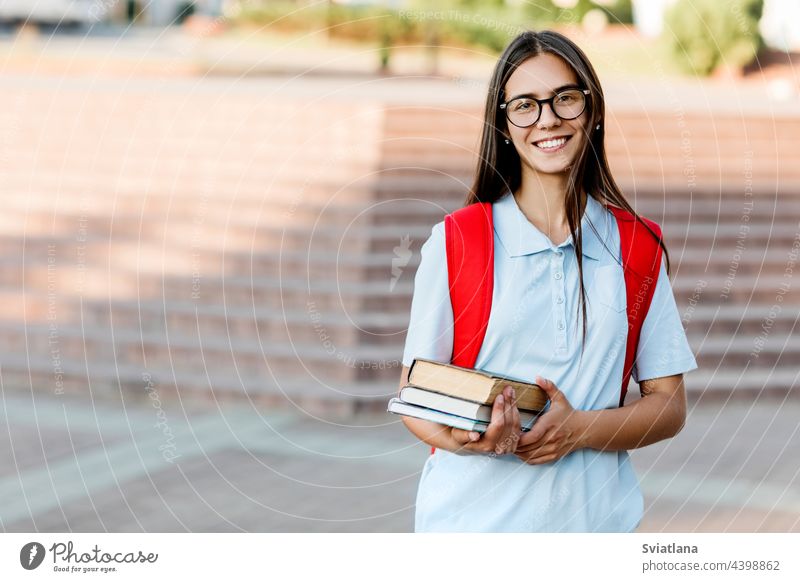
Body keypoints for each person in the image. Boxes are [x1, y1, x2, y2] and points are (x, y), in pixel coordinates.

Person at [397, 29, 698, 532]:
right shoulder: (459, 240)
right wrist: (470, 439)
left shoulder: (637, 245)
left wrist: (578, 431)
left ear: (592, 109)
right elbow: (413, 395)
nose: (548, 119)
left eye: (565, 98)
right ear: (505, 124)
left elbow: (669, 406)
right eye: (525, 106)